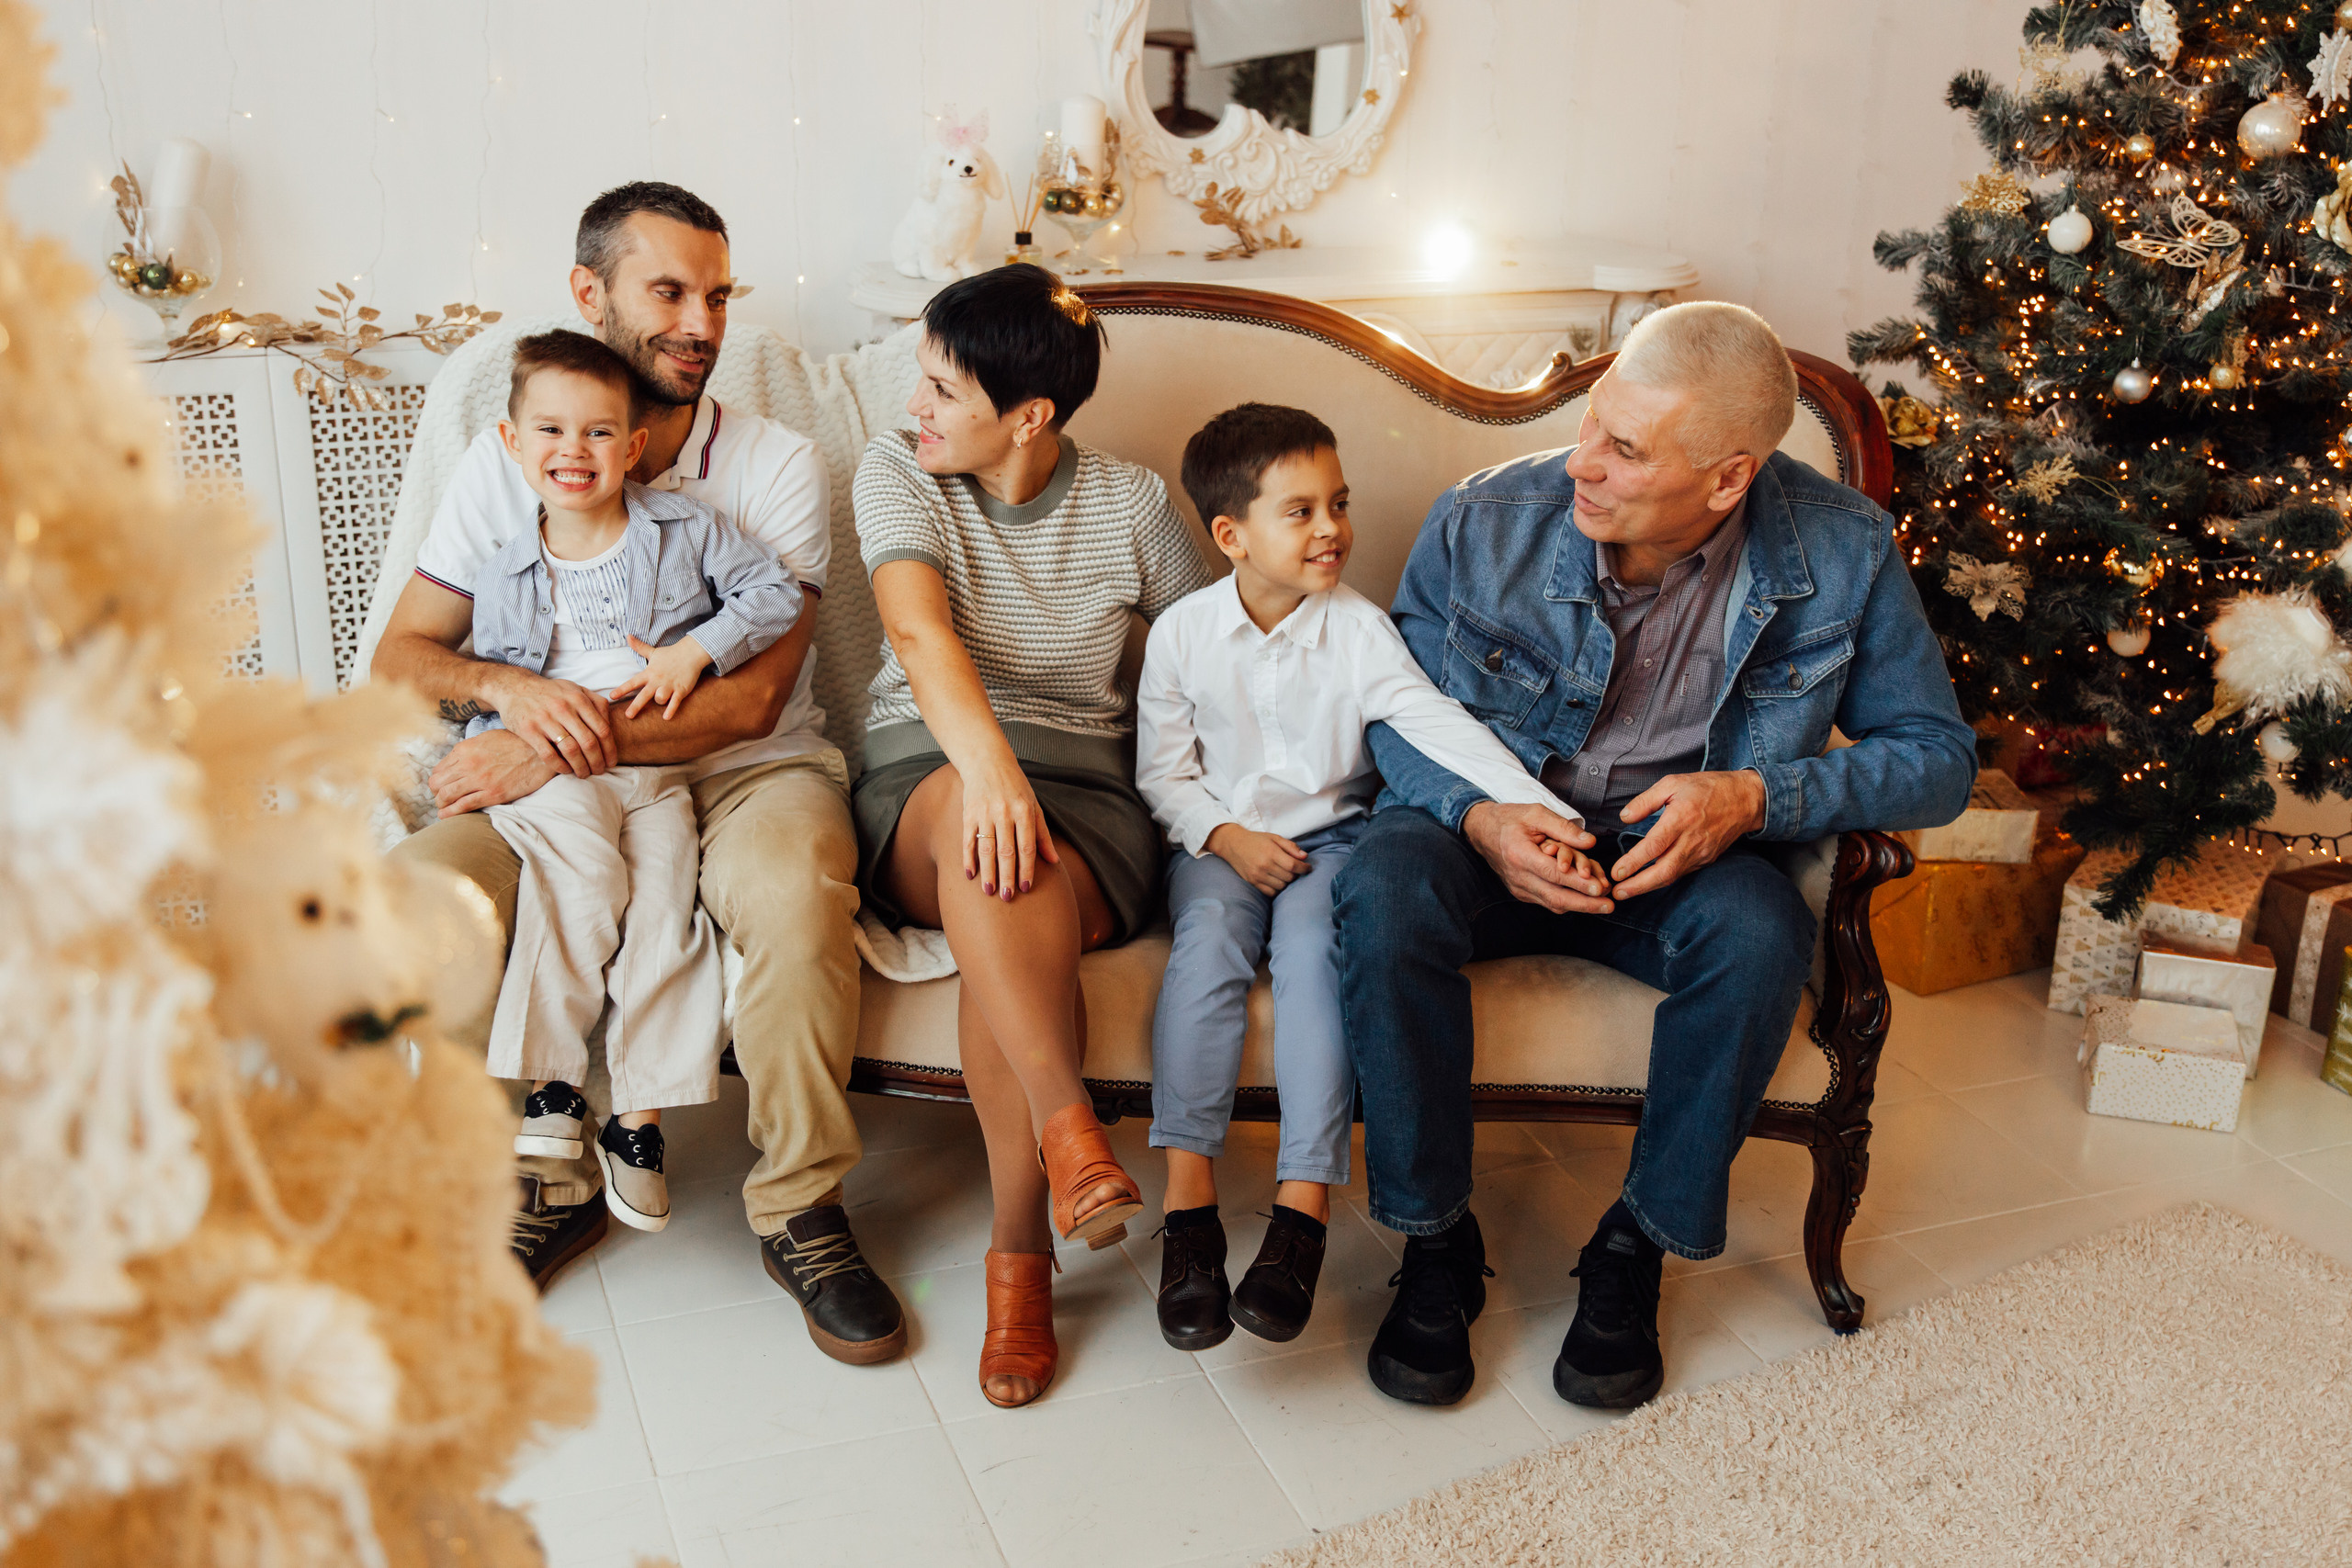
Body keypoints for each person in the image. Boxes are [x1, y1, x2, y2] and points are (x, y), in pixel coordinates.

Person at [1334, 301, 1974, 1410]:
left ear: (1727, 479)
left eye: (1625, 450)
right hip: (1490, 825)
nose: (1581, 462)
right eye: (1593, 421)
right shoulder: (1483, 517)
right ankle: (1435, 1239)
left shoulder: (1845, 550)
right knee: (1381, 888)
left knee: (1761, 932)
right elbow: (1393, 714)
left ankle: (1636, 1241)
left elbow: (1938, 761)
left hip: (1676, 859)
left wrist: (1754, 797)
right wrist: (1480, 818)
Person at [373, 182, 909, 1368]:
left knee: (792, 890)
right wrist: (509, 695)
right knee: (424, 894)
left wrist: (549, 738)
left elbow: (752, 695)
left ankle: (800, 1206)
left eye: (717, 295)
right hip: (552, 779)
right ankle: (537, 1178)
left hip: (747, 766)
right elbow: (403, 656)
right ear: (590, 292)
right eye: (668, 291)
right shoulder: (514, 456)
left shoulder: (774, 462)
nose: (701, 323)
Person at [1135, 403, 1599, 1353]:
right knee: (1208, 948)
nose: (1332, 529)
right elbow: (1162, 776)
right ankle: (1188, 1213)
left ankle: (1299, 1212)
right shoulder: (1181, 635)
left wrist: (1540, 812)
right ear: (1231, 535)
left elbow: (1436, 726)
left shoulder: (1360, 630)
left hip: (1334, 845)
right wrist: (1226, 836)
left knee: (1317, 956)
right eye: (1300, 511)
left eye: (1338, 504)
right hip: (1218, 845)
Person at [853, 263, 1213, 1408]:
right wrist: (992, 776)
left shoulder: (1133, 505)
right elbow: (919, 637)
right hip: (926, 778)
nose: (915, 406)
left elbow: (1210, 653)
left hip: (1089, 801)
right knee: (985, 839)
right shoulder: (897, 471)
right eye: (919, 378)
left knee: (1005, 895)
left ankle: (1022, 1249)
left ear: (1029, 416)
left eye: (942, 390)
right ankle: (1069, 1135)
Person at [470, 330, 802, 1235]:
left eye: (597, 432)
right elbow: (492, 686)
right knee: (583, 879)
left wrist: (698, 651)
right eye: (549, 430)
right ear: (512, 443)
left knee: (666, 911)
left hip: (654, 764)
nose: (572, 450)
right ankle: (552, 1088)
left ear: (633, 445)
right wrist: (493, 749)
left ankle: (639, 1120)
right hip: (560, 770)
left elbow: (773, 596)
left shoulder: (685, 530)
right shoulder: (505, 569)